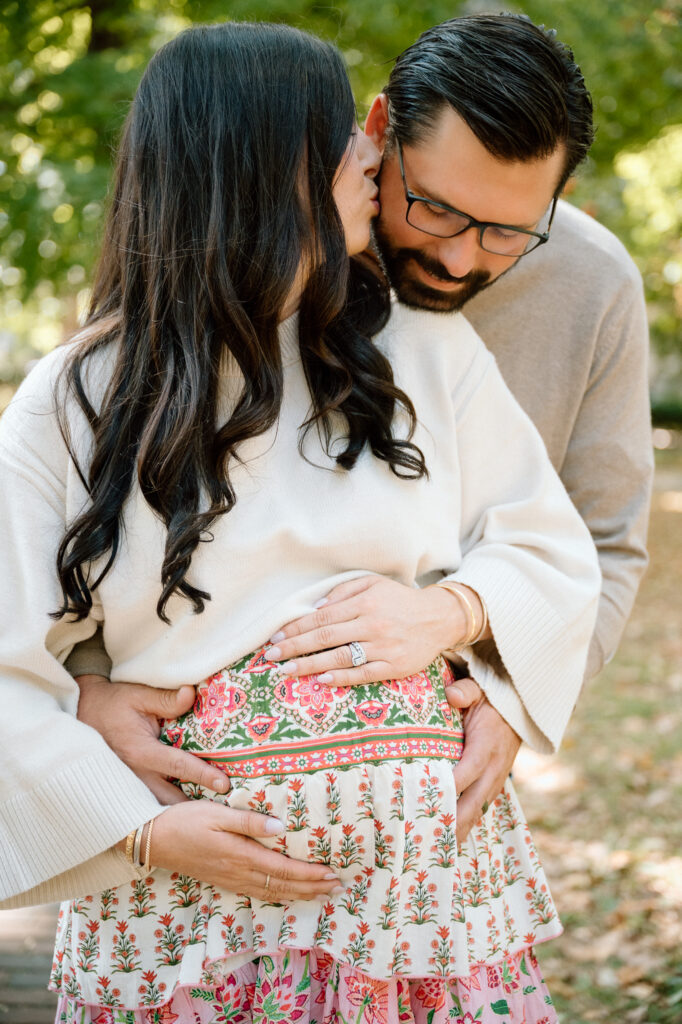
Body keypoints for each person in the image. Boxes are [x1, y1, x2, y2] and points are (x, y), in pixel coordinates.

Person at [0, 18, 600, 1024]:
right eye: (343, 140)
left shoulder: (418, 349)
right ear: (260, 172)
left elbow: (546, 545)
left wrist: (455, 618)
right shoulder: (78, 396)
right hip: (194, 903)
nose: (371, 154)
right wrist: (135, 827)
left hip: (415, 902)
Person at [67, 13, 653, 843]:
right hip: (195, 797)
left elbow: (601, 538)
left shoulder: (594, 289)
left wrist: (514, 699)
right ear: (378, 136)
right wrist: (84, 687)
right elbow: (100, 490)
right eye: (438, 209)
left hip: (431, 801)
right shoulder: (268, 239)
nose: (459, 260)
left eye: (508, 231)